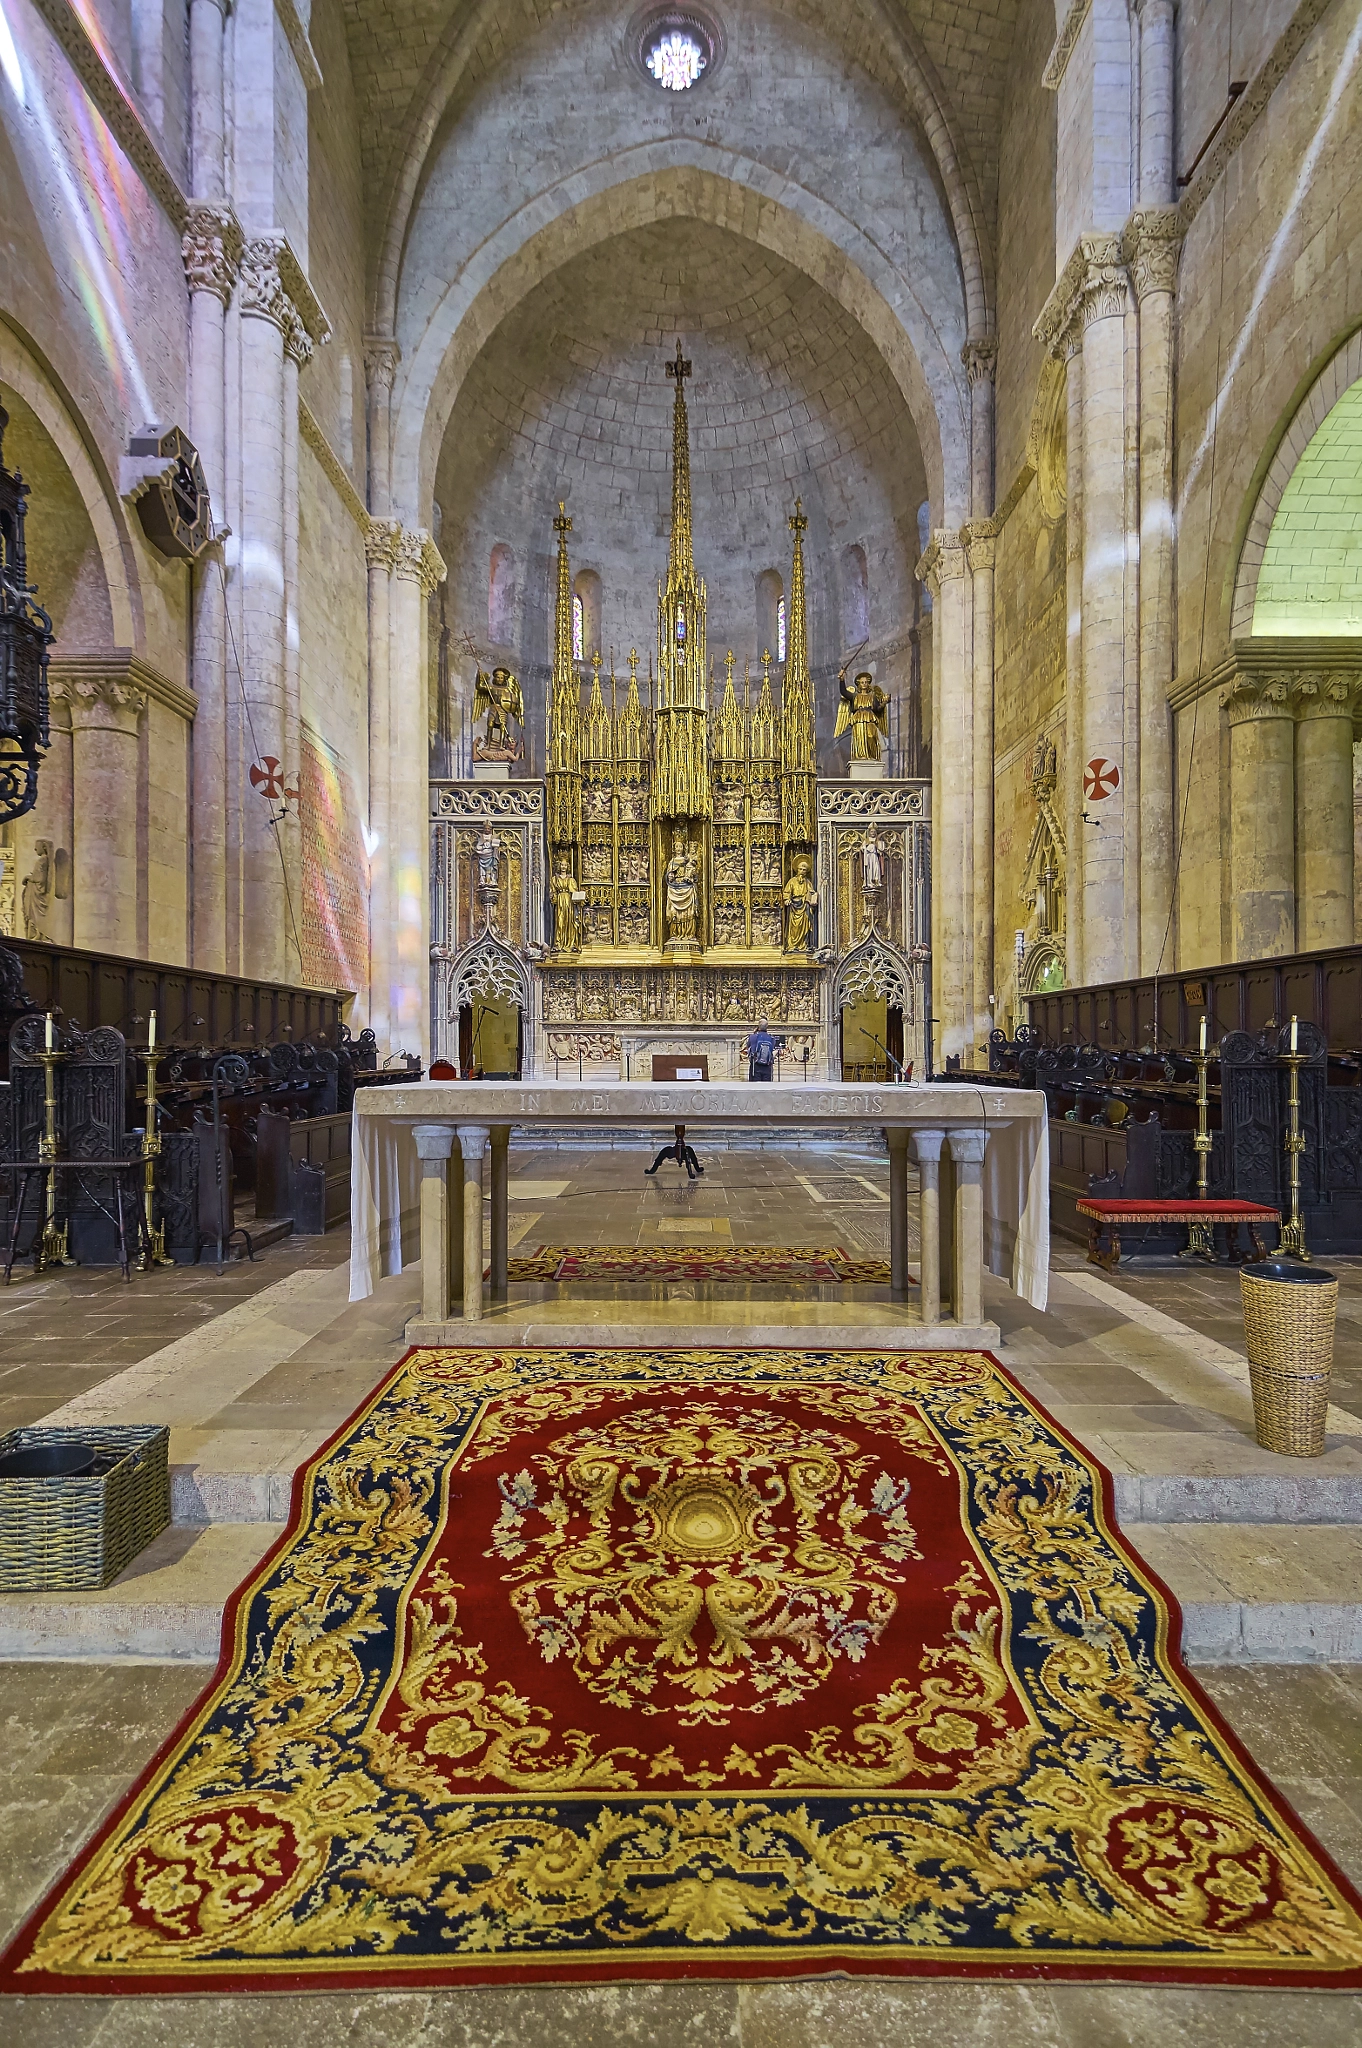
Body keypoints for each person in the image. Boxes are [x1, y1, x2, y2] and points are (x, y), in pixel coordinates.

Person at [781, 856, 817, 952]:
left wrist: (812, 895)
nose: (802, 871)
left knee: (805, 926)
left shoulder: (808, 882)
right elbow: (787, 892)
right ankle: (792, 945)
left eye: (804, 870)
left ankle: (804, 945)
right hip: (794, 907)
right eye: (800, 869)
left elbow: (812, 892)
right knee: (794, 928)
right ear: (797, 869)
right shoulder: (792, 881)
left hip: (804, 907)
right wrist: (787, 899)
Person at [747, 1017, 781, 1081]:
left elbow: (748, 1047)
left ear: (758, 1026)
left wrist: (755, 1033)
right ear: (767, 1026)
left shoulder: (753, 1037)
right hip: (767, 1066)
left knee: (755, 1087)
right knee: (766, 1087)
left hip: (755, 1066)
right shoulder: (771, 1038)